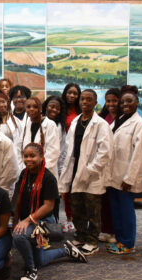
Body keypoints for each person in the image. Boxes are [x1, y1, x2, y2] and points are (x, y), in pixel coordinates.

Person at [12, 143, 87, 280]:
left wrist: (26, 221)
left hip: (43, 223)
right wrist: (15, 221)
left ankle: (31, 270)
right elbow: (18, 200)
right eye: (26, 156)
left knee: (19, 235)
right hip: (30, 222)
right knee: (40, 260)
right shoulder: (24, 174)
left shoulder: (48, 178)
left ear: (41, 157)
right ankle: (66, 250)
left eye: (32, 156)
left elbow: (49, 206)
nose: (28, 159)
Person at [58, 89, 113, 256]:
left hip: (92, 175)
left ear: (95, 103)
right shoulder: (76, 121)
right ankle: (81, 235)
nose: (84, 102)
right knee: (77, 207)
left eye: (89, 100)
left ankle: (92, 241)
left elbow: (105, 152)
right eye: (83, 99)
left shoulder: (101, 124)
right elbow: (69, 149)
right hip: (75, 172)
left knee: (93, 210)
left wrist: (90, 170)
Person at [106, 85, 142, 255]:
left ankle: (128, 243)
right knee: (116, 210)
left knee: (126, 212)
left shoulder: (140, 125)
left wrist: (129, 179)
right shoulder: (120, 119)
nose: (125, 104)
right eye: (123, 101)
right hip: (114, 175)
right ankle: (119, 239)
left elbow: (139, 155)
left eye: (129, 101)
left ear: (137, 102)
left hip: (126, 178)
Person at [98, 88, 122, 244]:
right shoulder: (101, 118)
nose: (111, 104)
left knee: (117, 202)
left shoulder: (124, 118)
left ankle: (116, 232)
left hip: (118, 164)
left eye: (114, 100)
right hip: (103, 165)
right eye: (108, 101)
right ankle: (106, 230)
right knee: (104, 201)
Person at [21, 96, 60, 179]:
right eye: (28, 107)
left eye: (35, 107)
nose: (31, 109)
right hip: (29, 171)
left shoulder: (50, 125)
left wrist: (40, 170)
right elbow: (22, 149)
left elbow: (53, 152)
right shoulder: (26, 125)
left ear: (40, 108)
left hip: (46, 172)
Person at [60, 83, 81, 233]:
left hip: (76, 153)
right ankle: (68, 219)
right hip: (61, 152)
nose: (72, 96)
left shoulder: (80, 112)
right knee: (64, 189)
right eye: (69, 92)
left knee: (75, 189)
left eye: (75, 93)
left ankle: (77, 219)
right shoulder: (59, 110)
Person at [0, 90, 23, 163]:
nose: (1, 105)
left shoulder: (15, 121)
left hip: (14, 158)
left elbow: (20, 142)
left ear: (7, 102)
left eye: (3, 102)